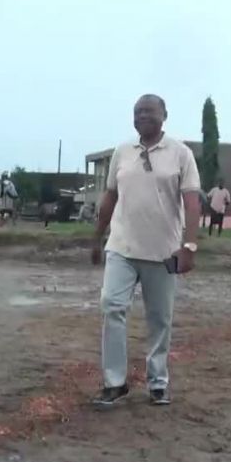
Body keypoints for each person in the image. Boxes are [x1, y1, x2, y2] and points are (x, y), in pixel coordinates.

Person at [90, 94, 201, 407]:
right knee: (112, 306)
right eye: (137, 111)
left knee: (159, 319)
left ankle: (158, 382)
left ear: (164, 115)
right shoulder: (122, 152)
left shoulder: (181, 154)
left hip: (163, 251)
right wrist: (97, 237)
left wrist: (189, 245)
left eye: (149, 111)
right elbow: (110, 196)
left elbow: (192, 202)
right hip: (121, 246)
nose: (142, 116)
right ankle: (115, 382)